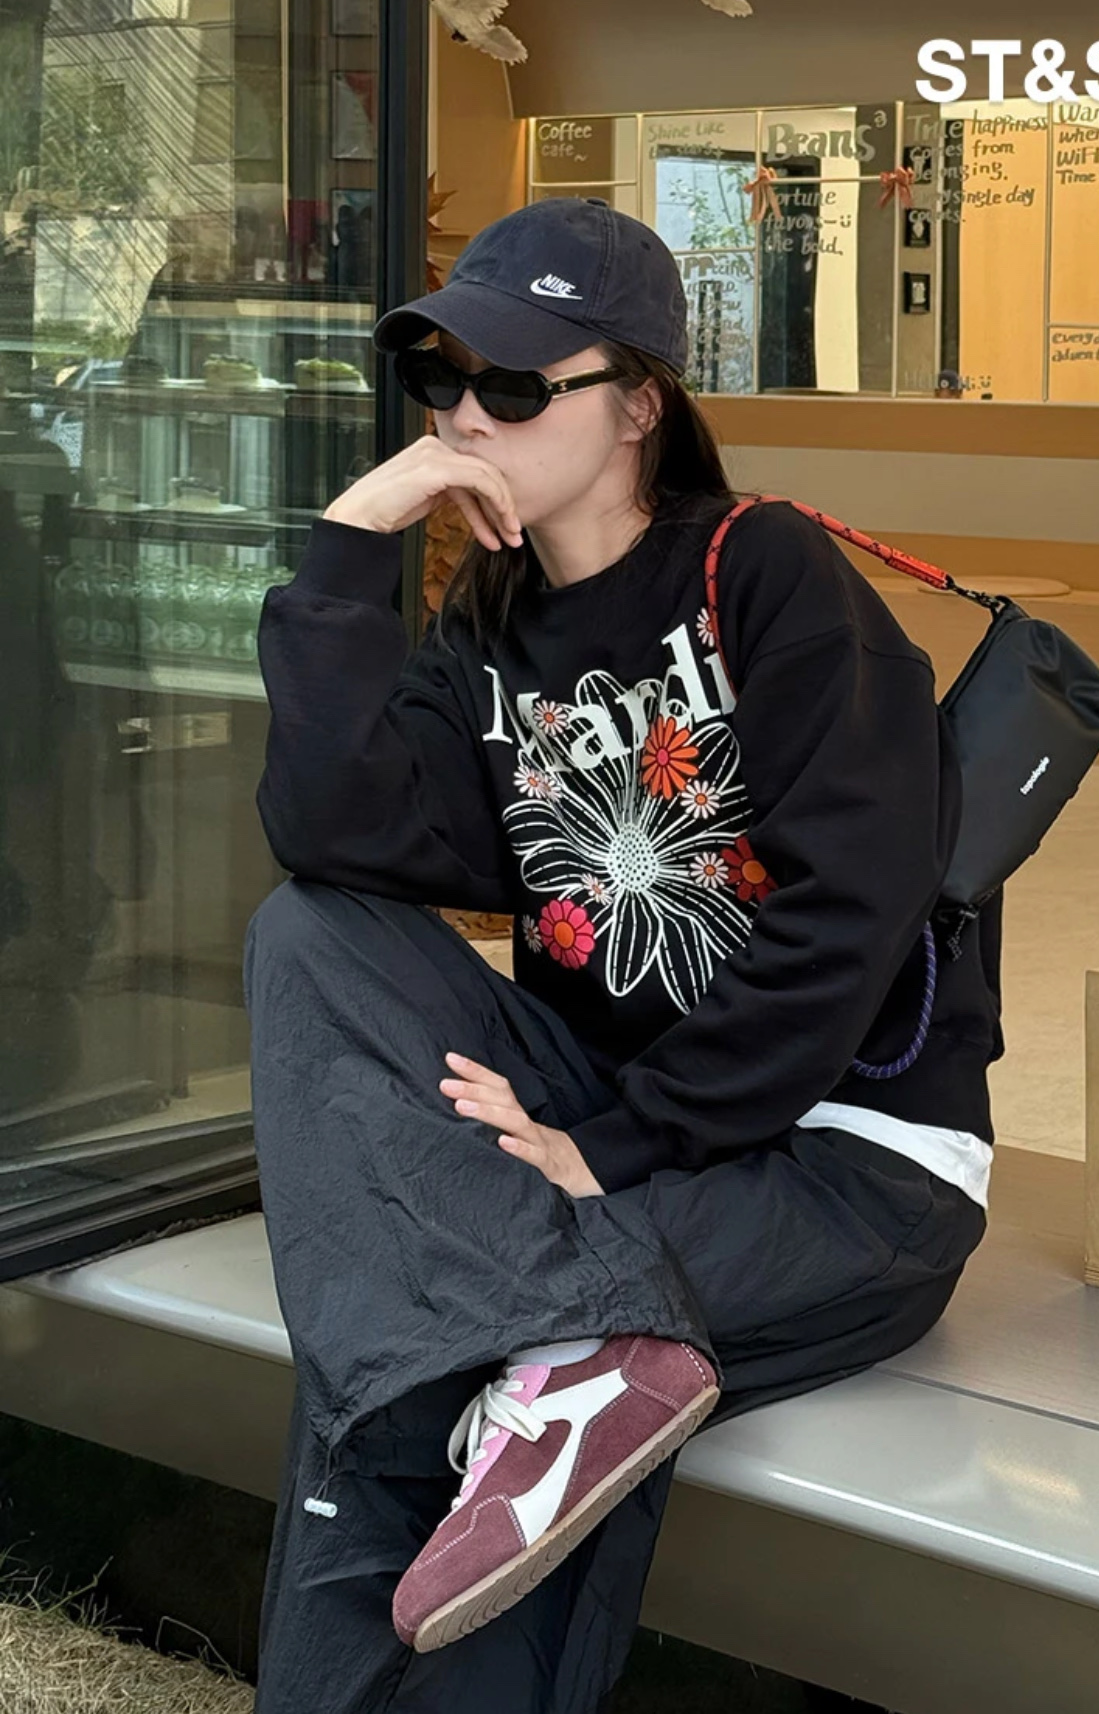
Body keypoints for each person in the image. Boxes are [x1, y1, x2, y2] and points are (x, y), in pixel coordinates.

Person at [245, 195, 1004, 1714]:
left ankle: (561, 1341)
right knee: (305, 935)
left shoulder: (764, 569)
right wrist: (346, 553)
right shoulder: (488, 626)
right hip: (600, 1119)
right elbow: (333, 837)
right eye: (443, 379)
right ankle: (564, 1345)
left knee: (444, 1368)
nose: (468, 416)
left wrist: (613, 1148)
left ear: (640, 404)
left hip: (839, 1164)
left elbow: (850, 915)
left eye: (517, 384)